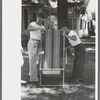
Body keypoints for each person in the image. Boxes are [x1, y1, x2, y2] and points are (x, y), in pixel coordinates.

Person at [27, 13, 46, 85]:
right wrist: (39, 28)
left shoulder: (42, 27)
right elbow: (29, 29)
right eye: (40, 20)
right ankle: (33, 78)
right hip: (33, 42)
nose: (40, 22)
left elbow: (42, 36)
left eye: (42, 21)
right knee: (32, 60)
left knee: (37, 60)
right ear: (37, 17)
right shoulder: (33, 24)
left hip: (38, 43)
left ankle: (32, 74)